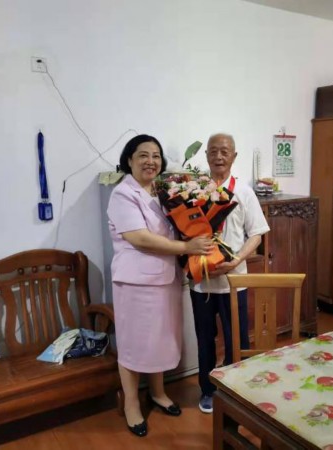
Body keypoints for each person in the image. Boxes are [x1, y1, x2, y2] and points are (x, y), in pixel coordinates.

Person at [107, 134, 213, 437]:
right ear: (129, 159)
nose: (150, 161)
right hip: (136, 284)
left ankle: (157, 392)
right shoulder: (122, 194)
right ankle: (132, 404)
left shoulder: (162, 191)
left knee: (160, 340)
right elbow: (139, 238)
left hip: (166, 278)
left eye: (155, 156)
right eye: (143, 155)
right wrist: (187, 247)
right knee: (134, 344)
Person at [189, 133, 270, 413]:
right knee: (204, 338)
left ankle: (237, 387)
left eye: (224, 151)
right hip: (202, 282)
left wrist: (236, 260)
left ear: (234, 156)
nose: (219, 156)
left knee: (237, 338)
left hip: (234, 280)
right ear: (206, 156)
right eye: (213, 151)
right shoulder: (194, 192)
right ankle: (208, 390)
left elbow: (257, 234)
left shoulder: (244, 192)